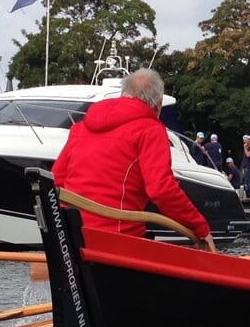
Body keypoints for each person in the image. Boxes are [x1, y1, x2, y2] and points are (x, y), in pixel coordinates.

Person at [50, 68, 215, 250]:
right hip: (118, 243)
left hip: (74, 239)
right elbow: (161, 189)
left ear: (123, 94)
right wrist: (200, 228)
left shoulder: (80, 128)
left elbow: (55, 180)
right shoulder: (150, 130)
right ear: (158, 104)